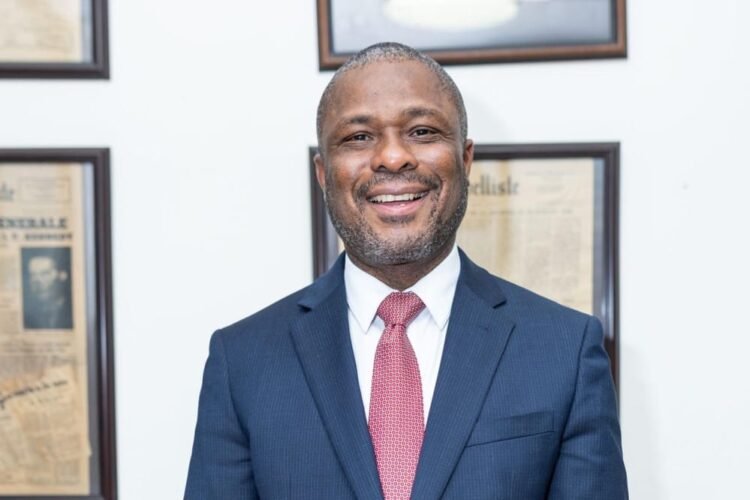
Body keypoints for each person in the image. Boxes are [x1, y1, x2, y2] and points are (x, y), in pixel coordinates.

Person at [185, 42, 627, 499]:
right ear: (323, 173)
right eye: (359, 137)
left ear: (466, 159)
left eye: (422, 131)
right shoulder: (242, 362)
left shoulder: (566, 350)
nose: (393, 157)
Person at [23, 251, 73, 330]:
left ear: (61, 275)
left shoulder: (71, 308)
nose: (37, 280)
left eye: (44, 274)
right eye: (33, 274)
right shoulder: (27, 312)